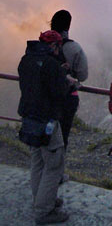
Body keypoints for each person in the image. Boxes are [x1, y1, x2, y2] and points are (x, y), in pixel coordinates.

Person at [17, 30, 74, 225]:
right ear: (54, 46)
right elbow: (59, 93)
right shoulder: (51, 65)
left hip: (29, 118)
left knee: (37, 162)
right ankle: (44, 211)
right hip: (47, 121)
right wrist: (69, 82)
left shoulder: (26, 60)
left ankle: (41, 199)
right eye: (58, 47)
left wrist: (60, 72)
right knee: (54, 165)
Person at [50, 10, 89, 149]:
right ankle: (56, 168)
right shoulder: (74, 48)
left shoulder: (42, 44)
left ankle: (40, 169)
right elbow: (83, 75)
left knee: (43, 138)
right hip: (66, 99)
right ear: (68, 26)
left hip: (43, 97)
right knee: (61, 137)